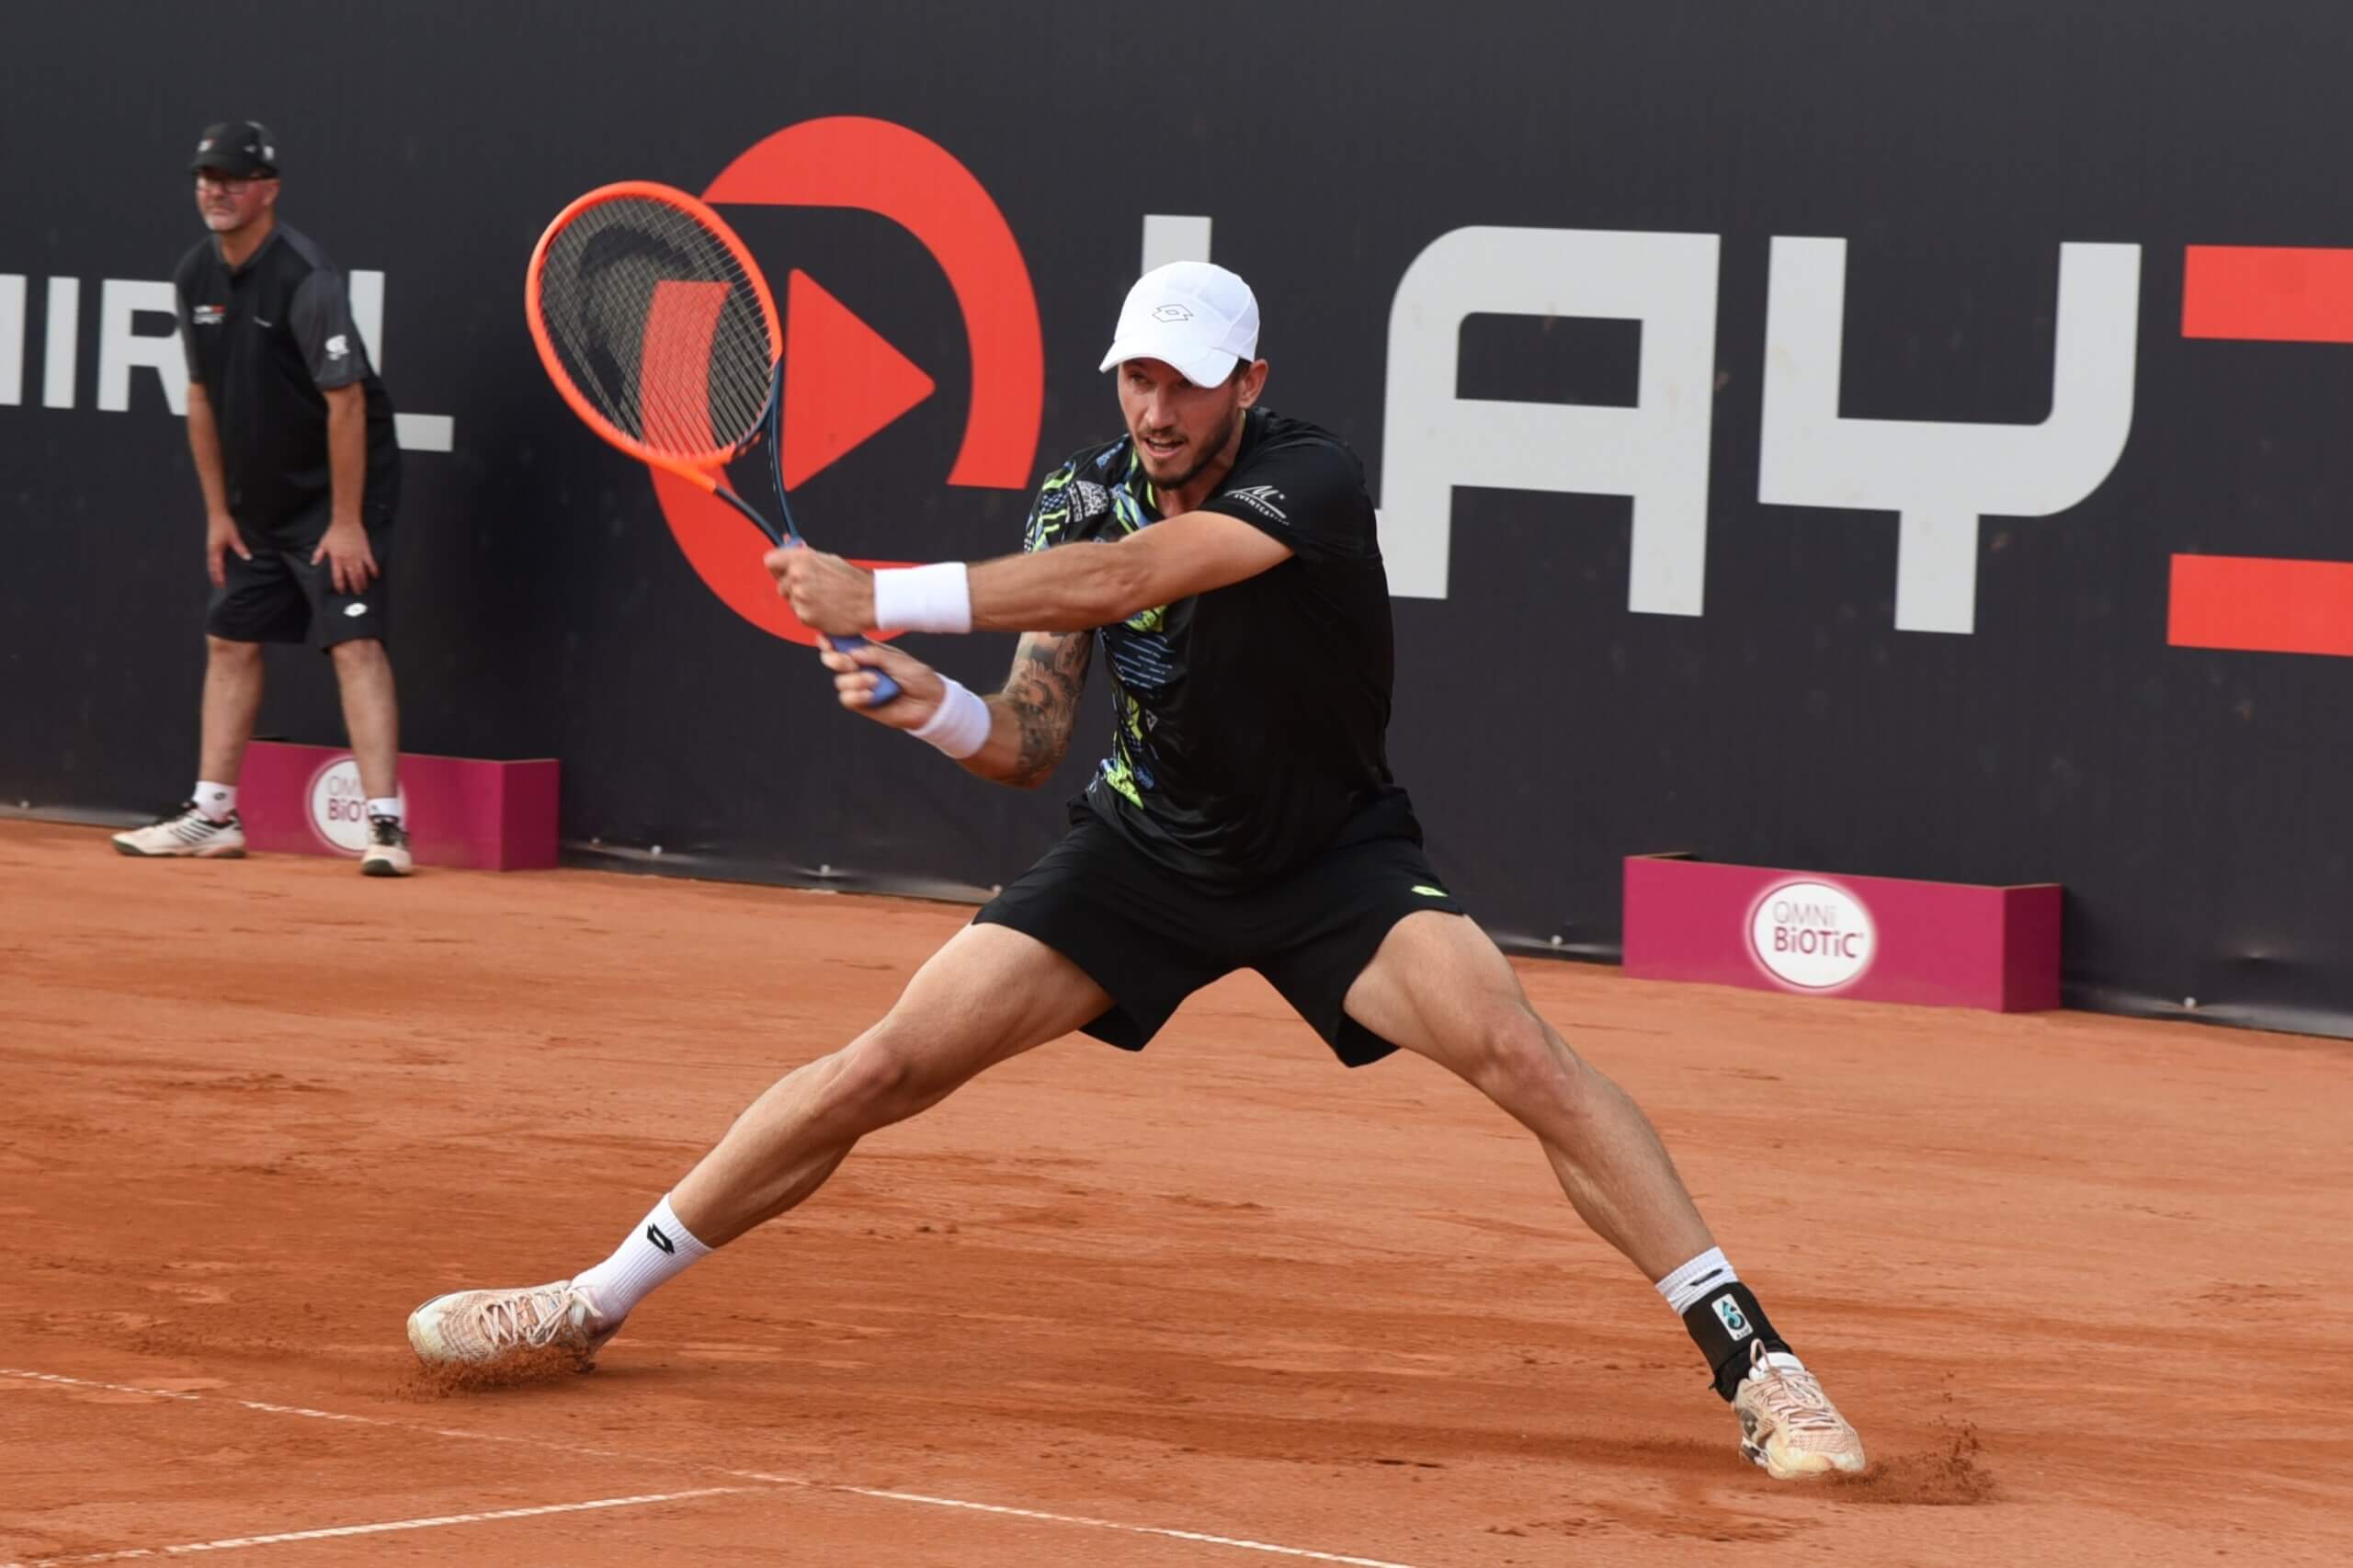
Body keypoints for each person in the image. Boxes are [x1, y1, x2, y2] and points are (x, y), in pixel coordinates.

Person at [407, 262, 1865, 1479]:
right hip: (1143, 846)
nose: (1155, 410)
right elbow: (1035, 737)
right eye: (1136, 381)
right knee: (885, 1064)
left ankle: (1761, 1364)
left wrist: (882, 591)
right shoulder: (1076, 492)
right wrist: (934, 706)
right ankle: (588, 1302)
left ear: (1246, 381)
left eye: (1185, 382)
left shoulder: (1313, 477)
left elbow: (1126, 582)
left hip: (1332, 858)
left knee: (1521, 1054)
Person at [111, 121, 411, 876]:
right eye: (206, 177)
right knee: (229, 639)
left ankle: (385, 828)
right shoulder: (193, 276)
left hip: (336, 496)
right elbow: (202, 397)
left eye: (234, 177)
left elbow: (346, 406)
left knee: (354, 642)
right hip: (258, 499)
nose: (216, 189)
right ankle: (212, 813)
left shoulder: (307, 279)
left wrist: (346, 523)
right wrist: (220, 513)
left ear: (268, 191)